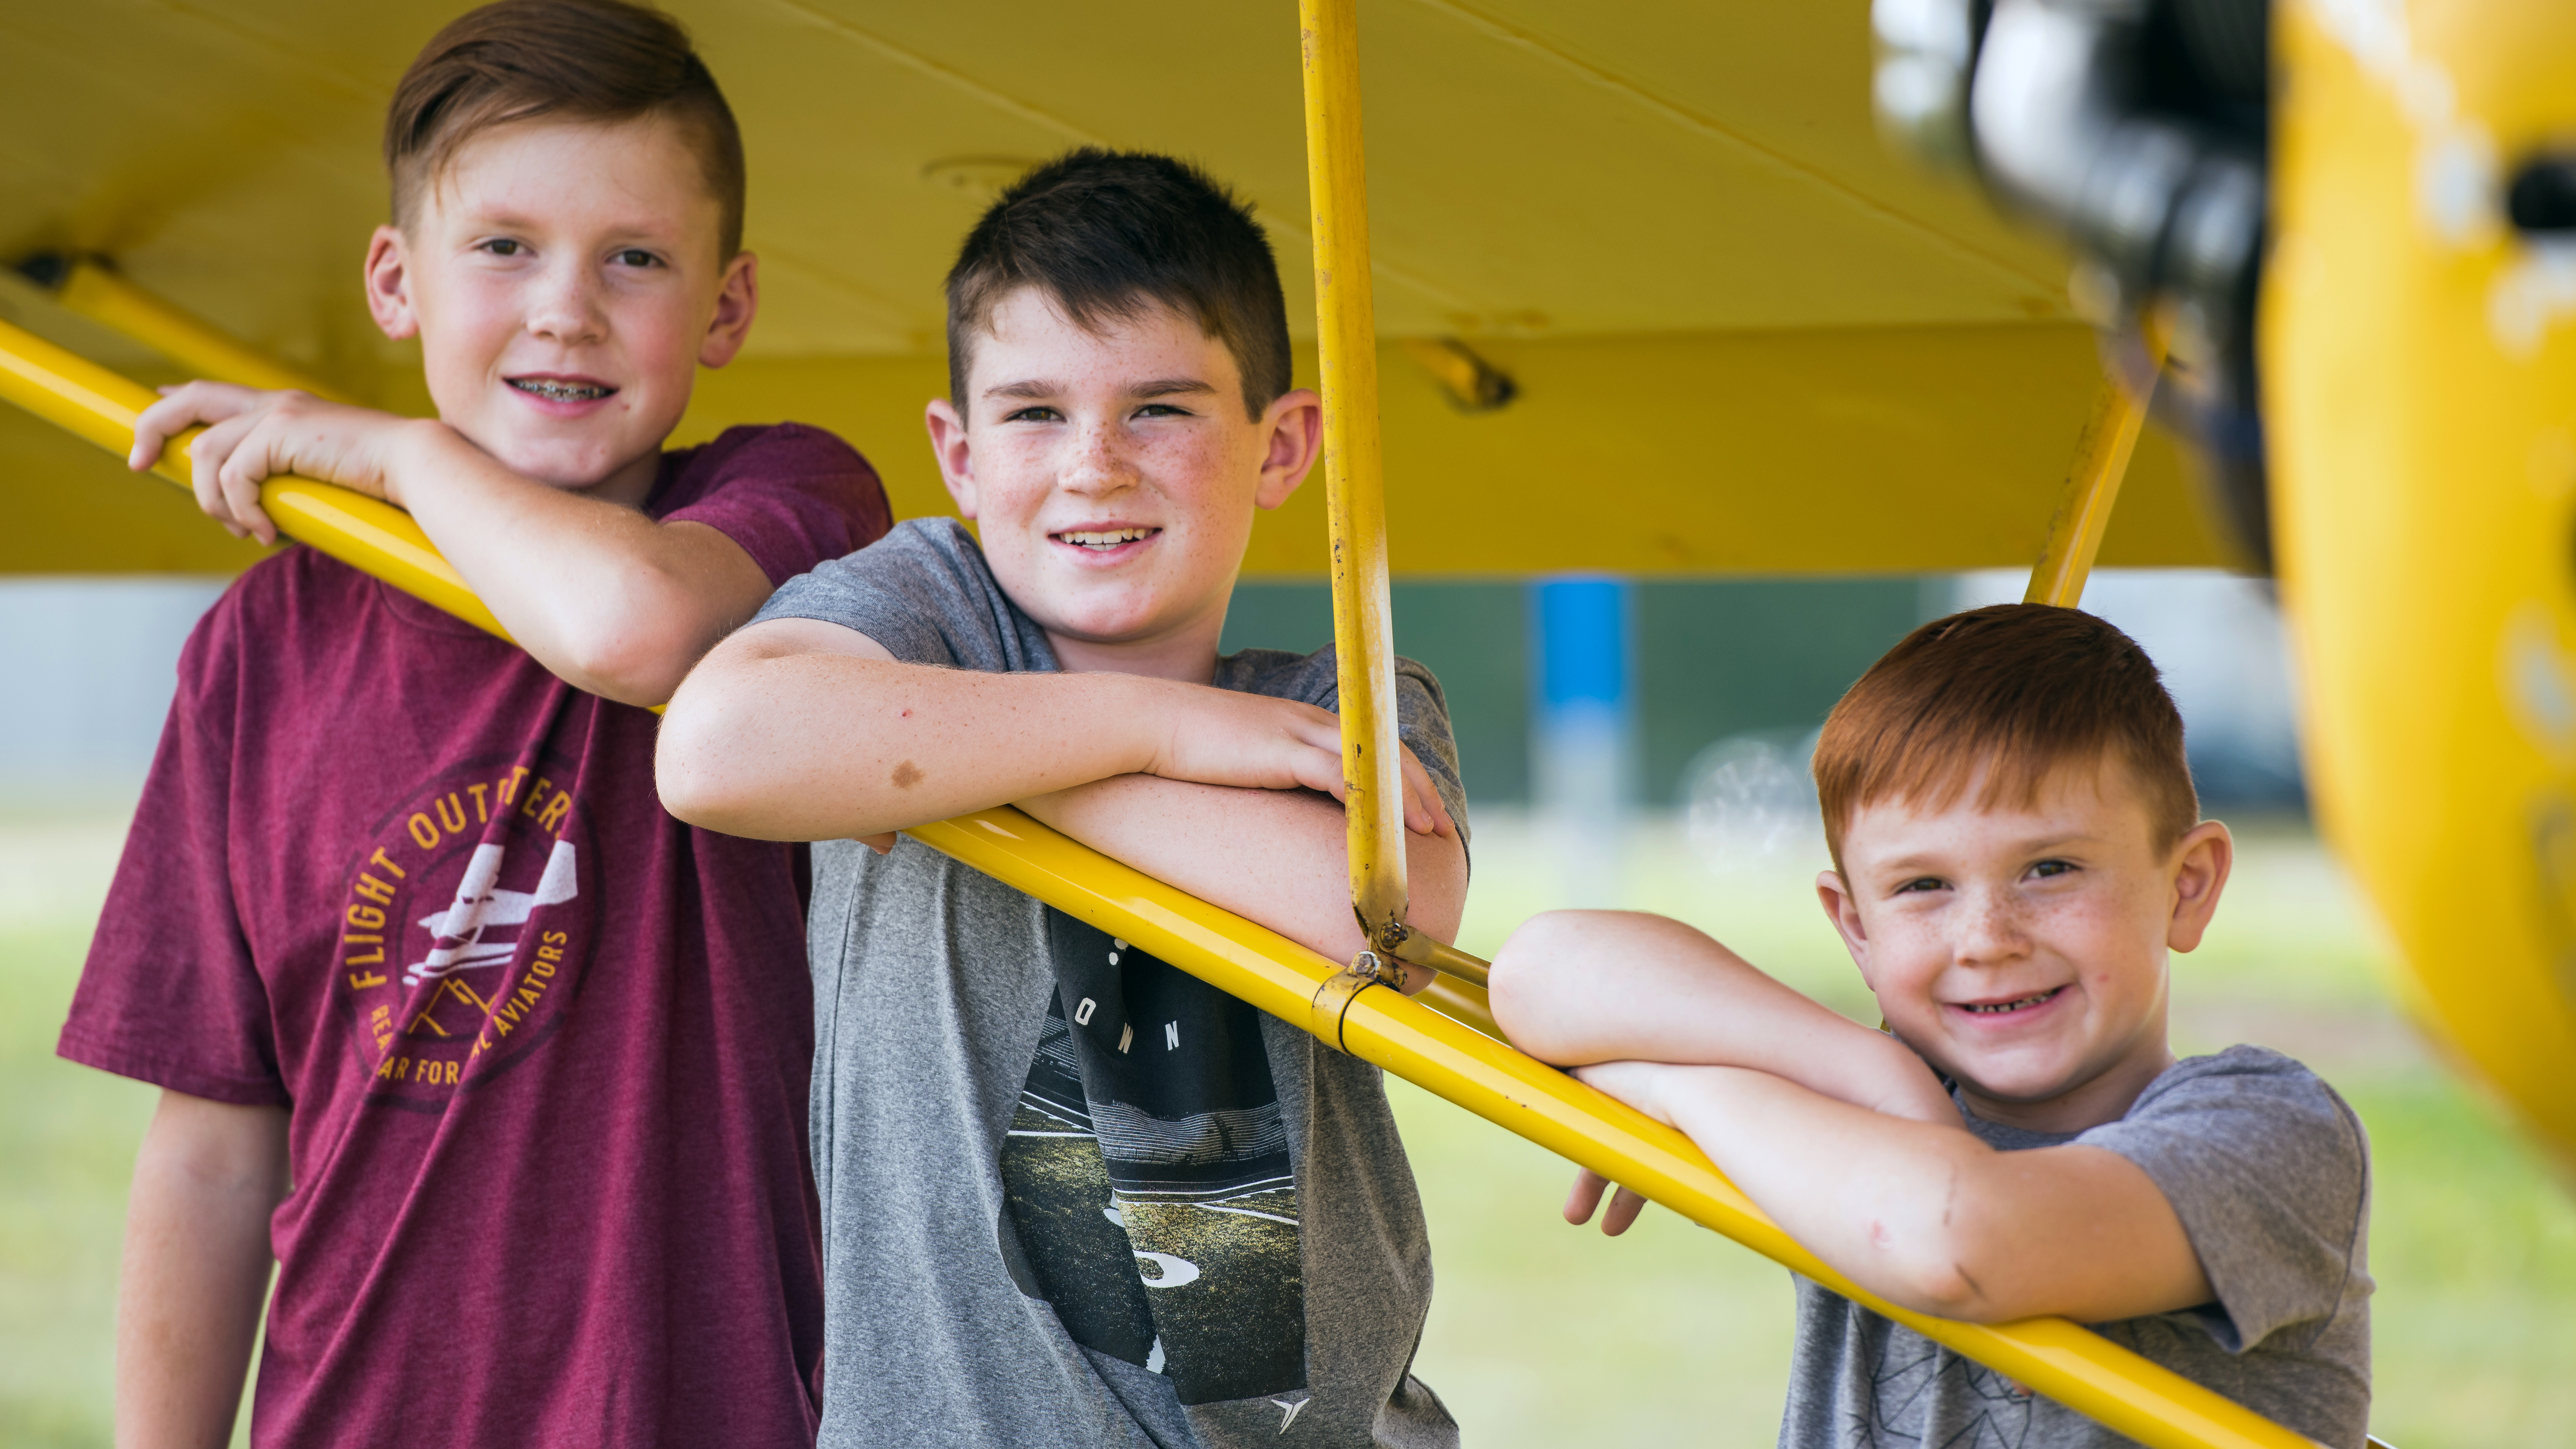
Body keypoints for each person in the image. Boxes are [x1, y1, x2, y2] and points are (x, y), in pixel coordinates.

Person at [56, 3, 891, 1445]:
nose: (566, 308)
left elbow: (631, 629)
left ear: (728, 306)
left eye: (635, 258)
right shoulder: (262, 644)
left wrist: (392, 449)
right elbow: (213, 1143)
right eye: (503, 245)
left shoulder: (786, 513)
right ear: (396, 281)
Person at [655, 148, 1470, 1448]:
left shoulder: (1332, 701)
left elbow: (1382, 912)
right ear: (959, 453)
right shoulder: (930, 610)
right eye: (1033, 411)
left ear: (1281, 446)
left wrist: (962, 769)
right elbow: (720, 747)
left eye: (1160, 409)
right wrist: (1158, 727)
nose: (1093, 465)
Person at [1487, 604, 2373, 1449]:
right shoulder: (1852, 1096)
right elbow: (1537, 970)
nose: (1986, 939)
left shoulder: (2270, 1133)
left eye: (2050, 868)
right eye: (1922, 886)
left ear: (2188, 885)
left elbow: (1957, 1243)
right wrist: (1873, 1073)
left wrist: (1678, 1089)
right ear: (1856, 929)